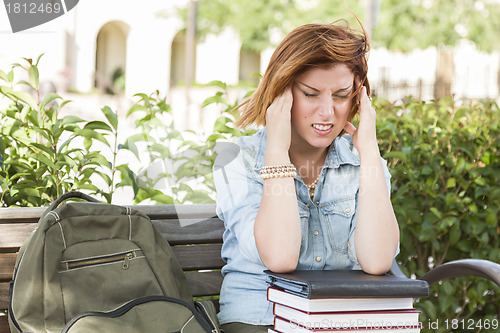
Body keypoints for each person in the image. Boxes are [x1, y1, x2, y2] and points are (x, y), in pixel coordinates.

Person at [213, 19, 400, 333]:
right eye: (311, 94)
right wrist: (277, 149)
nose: (327, 112)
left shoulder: (364, 162)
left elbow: (378, 260)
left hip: (338, 319)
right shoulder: (235, 160)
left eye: (341, 95)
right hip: (261, 317)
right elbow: (280, 257)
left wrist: (368, 149)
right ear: (282, 92)